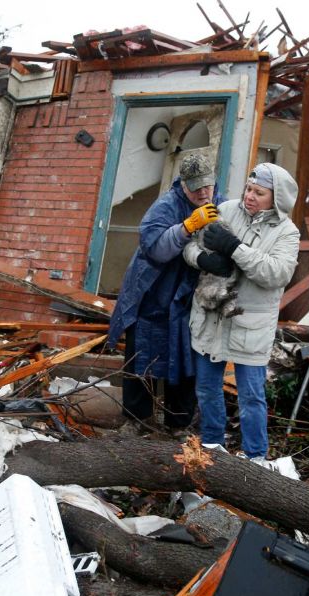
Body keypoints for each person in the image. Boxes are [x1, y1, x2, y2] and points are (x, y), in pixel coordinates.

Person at [184, 163, 300, 460]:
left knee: (251, 396)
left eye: (259, 193)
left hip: (250, 325)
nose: (249, 196)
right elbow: (190, 248)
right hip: (213, 317)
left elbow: (277, 273)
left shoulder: (287, 232)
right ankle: (212, 449)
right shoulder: (226, 209)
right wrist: (203, 260)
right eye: (248, 189)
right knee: (208, 389)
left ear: (275, 198)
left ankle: (255, 458)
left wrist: (235, 248)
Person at [106, 153, 225, 434]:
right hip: (152, 293)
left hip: (189, 298)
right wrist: (187, 227)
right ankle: (136, 420)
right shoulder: (165, 206)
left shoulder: (220, 204)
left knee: (184, 358)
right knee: (141, 356)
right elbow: (155, 248)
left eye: (207, 186)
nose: (203, 192)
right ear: (183, 184)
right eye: (196, 187)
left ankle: (179, 423)